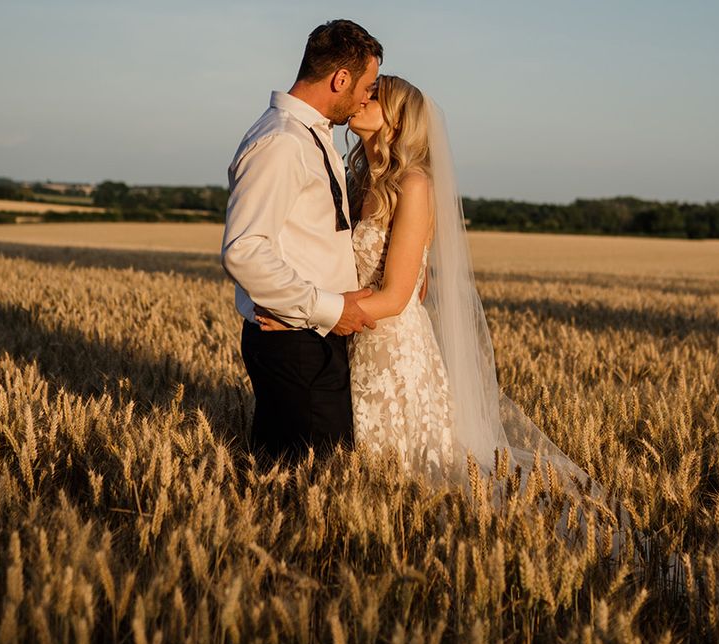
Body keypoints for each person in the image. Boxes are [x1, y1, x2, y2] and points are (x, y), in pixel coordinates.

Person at [256, 75, 608, 514]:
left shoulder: (414, 184)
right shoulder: (358, 179)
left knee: (410, 471)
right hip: (355, 338)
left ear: (398, 120)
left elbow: (399, 296)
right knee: (367, 471)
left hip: (393, 349)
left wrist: (299, 314)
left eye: (375, 96)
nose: (363, 98)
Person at [221, 20, 383, 463]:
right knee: (317, 481)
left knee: (293, 479)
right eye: (367, 85)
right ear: (341, 79)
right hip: (297, 339)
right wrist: (329, 310)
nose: (369, 96)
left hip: (309, 333)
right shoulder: (282, 141)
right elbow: (244, 249)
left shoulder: (310, 134)